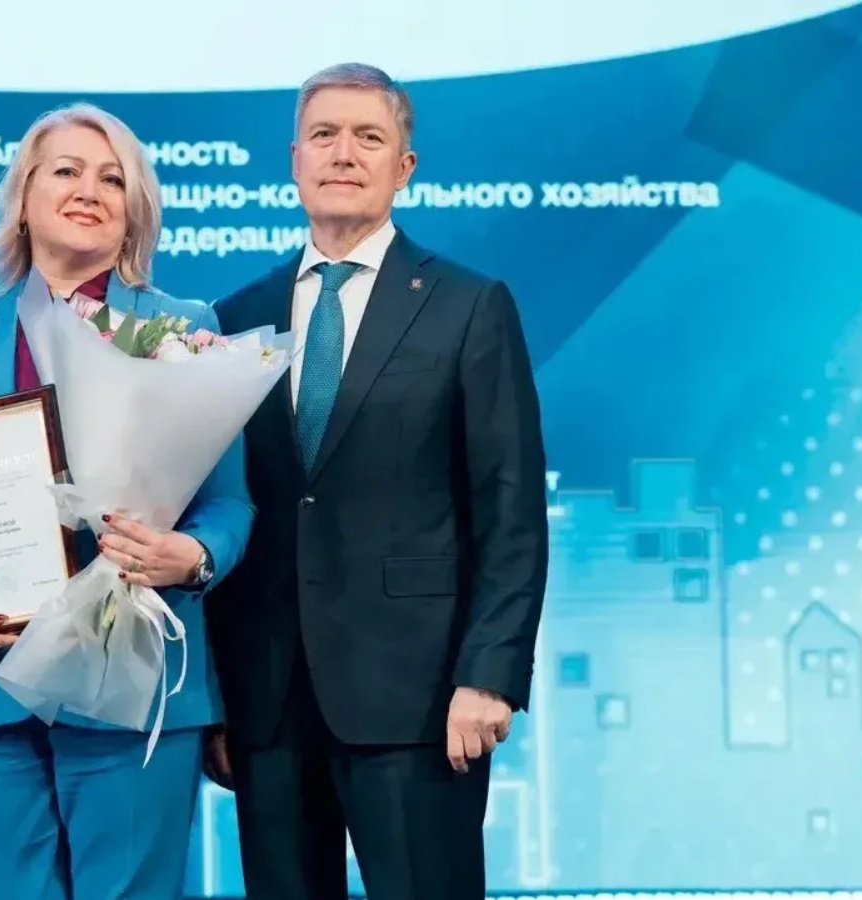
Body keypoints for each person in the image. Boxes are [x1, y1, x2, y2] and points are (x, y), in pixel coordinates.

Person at [0, 102, 253, 900]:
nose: (90, 190)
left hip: (132, 680)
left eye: (113, 179)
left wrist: (191, 555)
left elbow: (229, 505)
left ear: (134, 210)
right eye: (67, 171)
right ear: (23, 199)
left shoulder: (185, 329)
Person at [206, 63, 550, 900]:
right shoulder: (235, 318)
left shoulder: (469, 305)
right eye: (324, 135)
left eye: (369, 137)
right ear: (295, 160)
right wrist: (216, 701)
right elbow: (222, 506)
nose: (344, 153)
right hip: (270, 703)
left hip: (421, 700)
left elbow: (509, 509)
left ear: (404, 167)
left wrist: (490, 674)